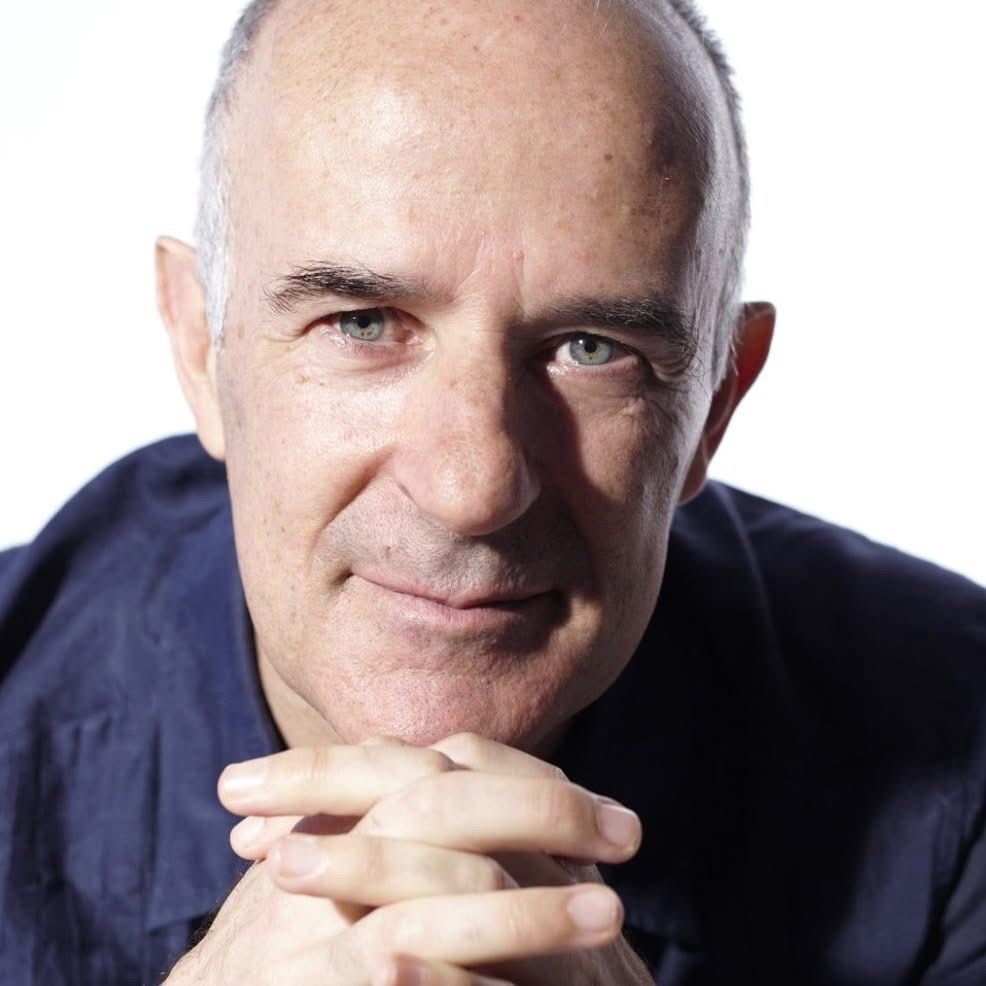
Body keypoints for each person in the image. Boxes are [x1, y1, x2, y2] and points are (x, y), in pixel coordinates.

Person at [0, 0, 983, 983]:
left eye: (591, 348)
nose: (471, 489)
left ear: (713, 406)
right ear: (199, 345)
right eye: (362, 323)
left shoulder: (959, 756)